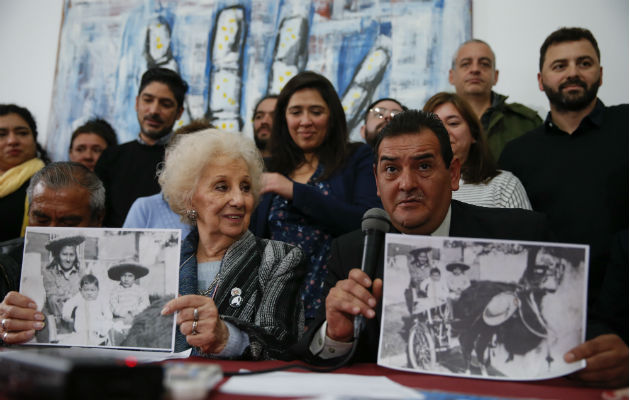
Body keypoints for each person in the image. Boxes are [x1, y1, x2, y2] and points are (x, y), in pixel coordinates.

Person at [296, 110, 550, 364]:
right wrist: (336, 336)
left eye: (424, 166)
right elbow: (314, 355)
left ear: (452, 174)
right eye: (392, 169)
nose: (406, 184)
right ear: (376, 179)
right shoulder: (351, 252)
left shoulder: (519, 236)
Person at [499, 27, 628, 388]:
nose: (572, 72)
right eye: (560, 65)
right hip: (543, 323)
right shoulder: (517, 153)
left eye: (583, 63)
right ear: (542, 81)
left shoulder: (628, 126)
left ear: (600, 73)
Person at [158, 129, 306, 360]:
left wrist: (228, 338)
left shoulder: (279, 257)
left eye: (246, 187)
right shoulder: (163, 261)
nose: (239, 200)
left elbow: (281, 346)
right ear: (189, 199)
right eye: (222, 187)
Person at [250, 71, 381, 324]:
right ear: (284, 118)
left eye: (316, 112)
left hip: (335, 307)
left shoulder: (357, 158)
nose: (305, 121)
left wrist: (294, 191)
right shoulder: (268, 168)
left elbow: (365, 221)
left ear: (332, 116)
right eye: (296, 112)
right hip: (271, 311)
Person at [0, 161, 105, 345]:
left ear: (98, 218)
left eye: (69, 223)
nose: (52, 230)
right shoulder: (4, 264)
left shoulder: (100, 267)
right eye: (41, 219)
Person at [95, 67, 188, 227]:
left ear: (179, 113)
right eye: (148, 100)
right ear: (137, 102)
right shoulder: (111, 158)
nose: (154, 110)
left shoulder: (187, 160)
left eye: (165, 104)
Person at [424, 92, 531, 209]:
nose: (443, 131)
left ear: (473, 134)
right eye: (435, 125)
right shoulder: (410, 184)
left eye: (453, 123)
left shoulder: (504, 186)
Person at [449, 39, 541, 160]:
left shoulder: (526, 123)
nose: (475, 69)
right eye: (466, 64)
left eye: (484, 64)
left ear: (495, 76)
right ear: (452, 76)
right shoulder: (433, 124)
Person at [123, 119, 214, 239]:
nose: (194, 168)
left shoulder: (223, 210)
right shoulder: (145, 208)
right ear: (169, 157)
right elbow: (126, 255)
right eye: (188, 158)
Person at [0, 104, 50, 241]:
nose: (12, 141)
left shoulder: (52, 181)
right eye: (2, 135)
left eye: (22, 133)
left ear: (34, 138)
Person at [40, 235, 86, 339]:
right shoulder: (49, 273)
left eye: (71, 255)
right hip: (55, 322)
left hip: (77, 321)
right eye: (64, 254)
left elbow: (85, 296)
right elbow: (53, 299)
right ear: (57, 255)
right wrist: (73, 298)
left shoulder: (81, 274)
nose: (68, 259)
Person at [61, 274, 113, 345]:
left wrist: (108, 319)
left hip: (96, 330)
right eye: (86, 290)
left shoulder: (100, 298)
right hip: (81, 329)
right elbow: (69, 304)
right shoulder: (80, 297)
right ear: (81, 290)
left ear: (98, 290)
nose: (89, 293)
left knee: (105, 327)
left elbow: (107, 310)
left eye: (92, 290)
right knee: (77, 341)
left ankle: (101, 339)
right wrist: (66, 315)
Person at [108, 262, 150, 344]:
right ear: (120, 276)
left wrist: (134, 313)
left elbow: (145, 303)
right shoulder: (115, 290)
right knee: (115, 332)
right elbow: (113, 304)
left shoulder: (141, 290)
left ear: (135, 277)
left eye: (130, 276)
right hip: (120, 319)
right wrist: (124, 314)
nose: (126, 279)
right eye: (123, 275)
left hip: (135, 318)